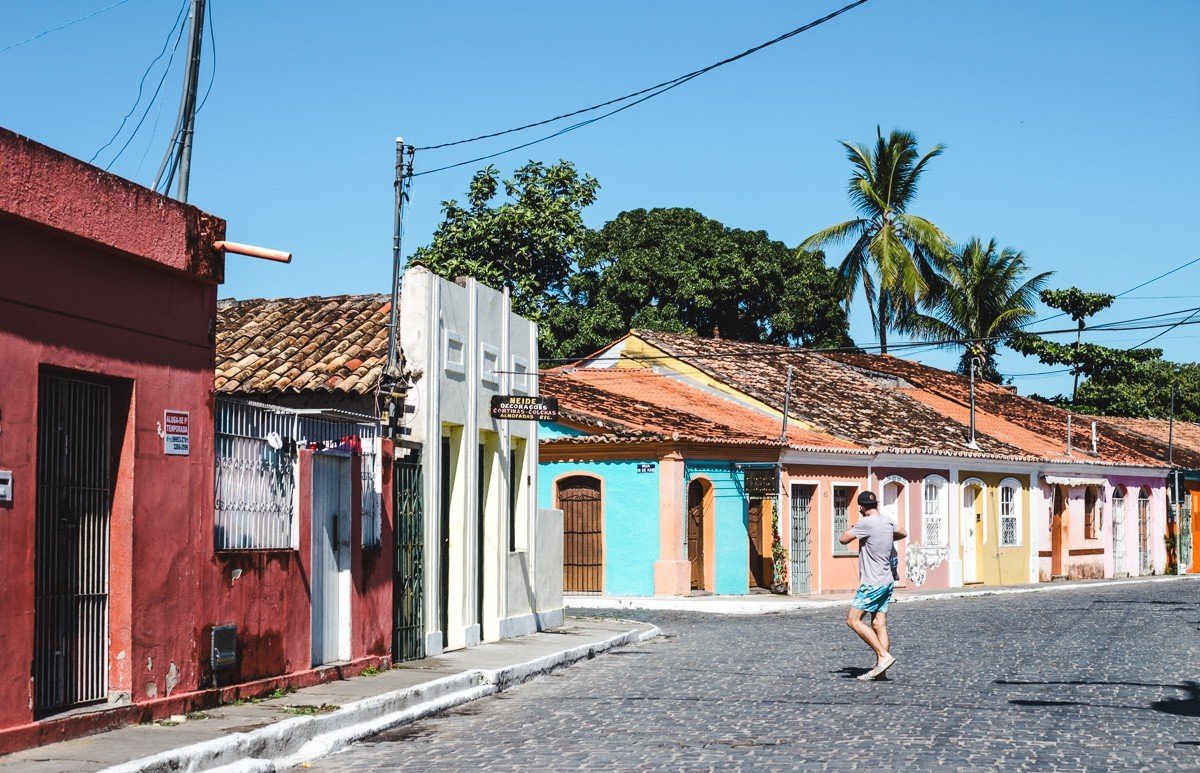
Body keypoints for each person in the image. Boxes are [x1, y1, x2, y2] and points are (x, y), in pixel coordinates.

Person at [839, 490, 907, 681]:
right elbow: (903, 532)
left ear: (861, 507)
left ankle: (883, 657)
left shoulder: (864, 523)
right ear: (875, 504)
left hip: (872, 582)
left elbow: (843, 539)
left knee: (853, 620)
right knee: (879, 623)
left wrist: (855, 527)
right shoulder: (887, 521)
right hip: (887, 580)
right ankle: (881, 671)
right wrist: (885, 538)